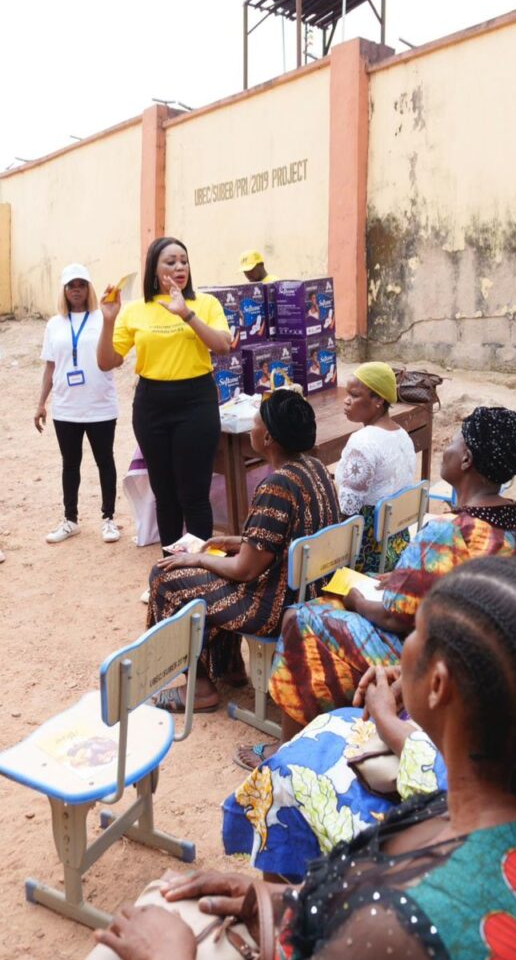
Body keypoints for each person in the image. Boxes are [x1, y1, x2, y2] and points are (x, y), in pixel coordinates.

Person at [94, 558, 516, 960]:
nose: (402, 649)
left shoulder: (393, 934)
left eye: (417, 632)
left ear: (437, 687)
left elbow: (410, 923)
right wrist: (278, 898)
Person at [224, 522, 516, 880]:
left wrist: (386, 718)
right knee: (334, 727)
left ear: (438, 683)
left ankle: (288, 911)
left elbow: (467, 780)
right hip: (507, 800)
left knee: (290, 773)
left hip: (482, 825)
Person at [252, 406, 516, 768]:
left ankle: (288, 751)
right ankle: (334, 715)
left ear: (466, 459)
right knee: (334, 611)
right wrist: (401, 579)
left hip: (436, 664)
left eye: (453, 442)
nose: (446, 449)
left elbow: (394, 617)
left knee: (302, 618)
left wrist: (356, 598)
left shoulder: (448, 532)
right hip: (486, 658)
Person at [147, 389, 340, 713]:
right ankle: (231, 667)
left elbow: (245, 571)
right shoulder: (314, 468)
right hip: (310, 590)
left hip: (276, 608)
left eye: (255, 422)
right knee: (211, 565)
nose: (251, 427)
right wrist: (241, 541)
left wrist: (196, 557)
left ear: (268, 438)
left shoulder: (278, 484)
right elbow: (286, 538)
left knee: (166, 578)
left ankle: (201, 689)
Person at [97, 237, 231, 551]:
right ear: (154, 269)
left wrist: (186, 314)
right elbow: (106, 361)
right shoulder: (135, 311)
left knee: (194, 494)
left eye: (183, 261)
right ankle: (171, 573)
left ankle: (199, 573)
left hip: (197, 402)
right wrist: (108, 319)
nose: (179, 267)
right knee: (165, 494)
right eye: (170, 262)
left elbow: (223, 346)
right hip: (151, 404)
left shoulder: (205, 304)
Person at [35, 263, 120, 544]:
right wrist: (41, 403)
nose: (76, 290)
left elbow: (114, 356)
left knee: (104, 461)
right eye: (71, 285)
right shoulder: (54, 324)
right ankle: (70, 520)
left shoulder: (102, 318)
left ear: (89, 288)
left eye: (82, 285)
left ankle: (108, 519)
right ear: (64, 290)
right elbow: (50, 366)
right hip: (66, 407)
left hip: (100, 405)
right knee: (70, 464)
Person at [335, 363, 417, 573]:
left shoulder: (363, 442)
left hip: (368, 550)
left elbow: (348, 509)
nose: (346, 400)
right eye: (347, 394)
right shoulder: (402, 435)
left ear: (379, 400)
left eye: (354, 395)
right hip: (399, 541)